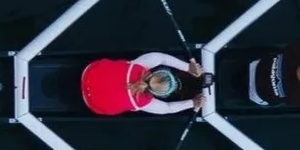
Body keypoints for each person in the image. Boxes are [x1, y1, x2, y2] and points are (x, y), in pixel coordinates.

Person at [78, 52, 207, 116]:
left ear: (157, 73)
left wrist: (187, 67)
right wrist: (193, 103)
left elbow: (162, 57)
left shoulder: (138, 67)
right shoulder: (143, 103)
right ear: (159, 94)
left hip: (89, 72)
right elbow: (168, 108)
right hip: (91, 102)